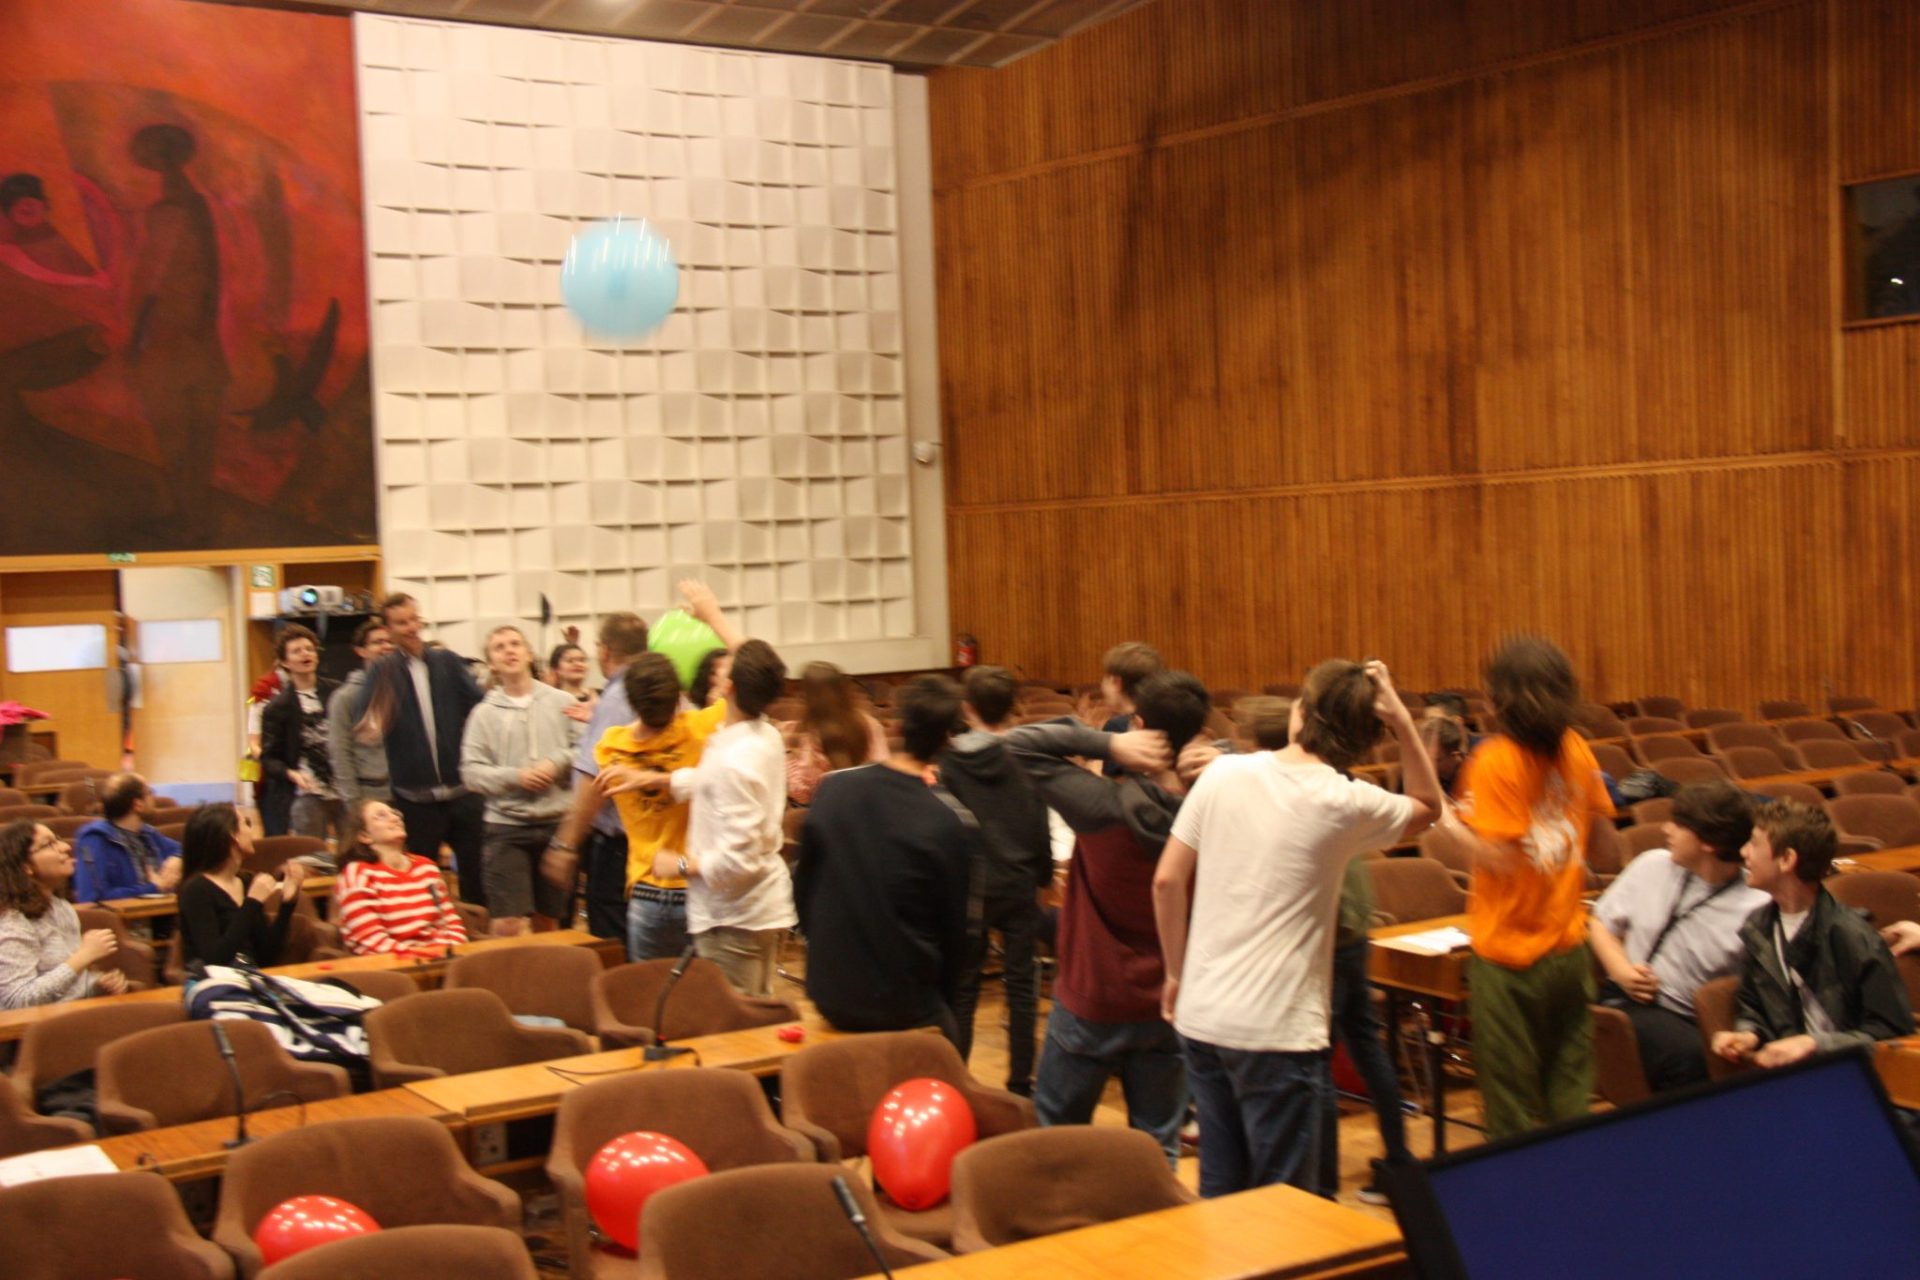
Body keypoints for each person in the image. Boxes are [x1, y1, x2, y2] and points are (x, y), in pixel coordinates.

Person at [1155, 661, 1439, 1198]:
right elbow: (1429, 807)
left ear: (1300, 712)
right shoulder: (1346, 801)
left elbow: (1167, 882)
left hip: (1202, 1013)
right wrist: (1402, 720)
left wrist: (1174, 973)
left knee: (1221, 1192)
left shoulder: (1223, 773)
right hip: (1277, 1028)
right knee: (1285, 1206)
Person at [1002, 671, 1194, 1164]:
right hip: (1171, 1001)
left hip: (1094, 997)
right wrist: (1226, 756)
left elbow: (1018, 745)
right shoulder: (1214, 802)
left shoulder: (1101, 805)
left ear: (1139, 726)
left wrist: (1108, 742)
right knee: (1158, 1150)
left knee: (1057, 1141)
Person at [1430, 636, 1615, 1138]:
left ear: (1502, 698)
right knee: (1569, 1097)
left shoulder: (1496, 759)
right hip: (1569, 950)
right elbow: (1604, 848)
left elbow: (1501, 860)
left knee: (1510, 1108)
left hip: (1510, 958)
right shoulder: (1577, 747)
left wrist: (1445, 818)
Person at [556, 583, 734, 960]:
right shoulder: (699, 729)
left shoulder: (611, 745)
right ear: (678, 696)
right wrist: (712, 615)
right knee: (698, 983)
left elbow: (591, 779)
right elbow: (751, 667)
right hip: (692, 880)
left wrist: (566, 845)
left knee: (641, 981)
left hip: (644, 885)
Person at [795, 675, 979, 1037]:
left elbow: (803, 888)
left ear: (897, 726)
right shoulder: (949, 821)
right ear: (949, 740)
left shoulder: (835, 788)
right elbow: (956, 936)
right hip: (904, 1002)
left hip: (829, 992)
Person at [635, 636, 791, 996]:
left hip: (735, 917)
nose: (718, 669)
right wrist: (655, 779)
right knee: (756, 1010)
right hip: (751, 909)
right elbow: (714, 782)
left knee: (738, 1020)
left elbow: (739, 859)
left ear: (730, 687)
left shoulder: (736, 760)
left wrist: (679, 865)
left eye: (726, 668)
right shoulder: (760, 733)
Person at [1590, 780, 1768, 1091]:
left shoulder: (1756, 904)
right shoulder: (1651, 865)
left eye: (1679, 824)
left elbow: (1759, 986)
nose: (1666, 829)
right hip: (1629, 1004)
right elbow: (1599, 923)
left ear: (1709, 842)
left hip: (1704, 1018)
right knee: (1692, 1058)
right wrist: (1621, 971)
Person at [1711, 799, 1914, 1068]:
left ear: (1787, 859)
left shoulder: (1852, 936)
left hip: (1856, 1073)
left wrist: (1816, 1044)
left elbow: (1893, 1034)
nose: (1744, 852)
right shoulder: (1758, 928)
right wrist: (1748, 1034)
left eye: (1754, 843)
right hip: (1792, 1074)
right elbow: (1752, 1006)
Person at [942, 665, 1053, 1096]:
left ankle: (959, 1080)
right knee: (1022, 984)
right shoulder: (1026, 758)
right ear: (1013, 708)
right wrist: (1043, 875)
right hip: (1020, 879)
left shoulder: (949, 761)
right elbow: (1039, 822)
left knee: (964, 987)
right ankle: (1021, 1080)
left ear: (967, 708)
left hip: (971, 886)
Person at [351, 594, 487, 906]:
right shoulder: (382, 671)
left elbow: (480, 709)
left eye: (414, 619)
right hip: (415, 800)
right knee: (421, 881)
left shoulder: (447, 661)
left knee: (477, 877)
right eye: (402, 623)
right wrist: (375, 720)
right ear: (388, 630)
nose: (411, 627)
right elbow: (365, 726)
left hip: (463, 794)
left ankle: (476, 932)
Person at [460, 625, 580, 935]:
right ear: (492, 663)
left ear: (529, 653)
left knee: (548, 920)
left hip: (555, 823)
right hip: (506, 827)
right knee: (507, 922)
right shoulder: (483, 714)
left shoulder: (562, 701)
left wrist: (555, 764)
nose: (509, 650)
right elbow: (471, 773)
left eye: (515, 643)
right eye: (499, 647)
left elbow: (586, 747)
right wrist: (516, 777)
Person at [545, 611, 649, 941]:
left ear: (604, 651)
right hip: (652, 838)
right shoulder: (656, 689)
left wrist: (565, 844)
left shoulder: (618, 697)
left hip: (620, 845)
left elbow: (595, 778)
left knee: (614, 943)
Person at [0, 820, 125, 1007]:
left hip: (72, 1015)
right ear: (26, 866)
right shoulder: (12, 922)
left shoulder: (61, 907)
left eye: (58, 840)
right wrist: (83, 956)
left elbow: (68, 990)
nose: (66, 847)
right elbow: (15, 1001)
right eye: (49, 844)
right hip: (34, 1024)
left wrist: (96, 985)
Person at [176, 804, 306, 969]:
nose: (251, 831)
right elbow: (214, 960)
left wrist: (287, 904)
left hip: (250, 975)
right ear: (233, 836)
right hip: (215, 981)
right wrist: (252, 903)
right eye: (246, 823)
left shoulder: (246, 881)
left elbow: (267, 955)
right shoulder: (196, 890)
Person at [334, 799, 468, 956]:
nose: (395, 818)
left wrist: (452, 950)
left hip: (441, 957)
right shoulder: (357, 873)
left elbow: (450, 921)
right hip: (391, 964)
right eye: (381, 816)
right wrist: (425, 956)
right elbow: (371, 940)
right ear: (364, 836)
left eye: (394, 813)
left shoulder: (426, 867)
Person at [260, 624, 343, 845]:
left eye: (309, 649)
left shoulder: (337, 692)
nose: (305, 654)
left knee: (355, 847)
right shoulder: (278, 707)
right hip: (308, 790)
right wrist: (292, 774)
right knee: (313, 851)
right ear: (285, 662)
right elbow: (269, 758)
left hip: (344, 785)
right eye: (297, 651)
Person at [784, 661, 889, 805]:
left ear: (807, 696)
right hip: (867, 804)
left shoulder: (805, 732)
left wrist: (789, 755)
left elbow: (801, 794)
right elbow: (883, 774)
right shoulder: (869, 724)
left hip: (827, 809)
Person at [69, 772, 181, 902]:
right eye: (150, 792)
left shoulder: (148, 833)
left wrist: (177, 859)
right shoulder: (94, 839)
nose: (154, 797)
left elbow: (186, 848)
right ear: (138, 805)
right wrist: (153, 888)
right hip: (126, 914)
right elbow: (92, 897)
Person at [328, 619, 394, 809]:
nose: (386, 647)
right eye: (378, 642)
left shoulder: (404, 689)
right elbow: (340, 751)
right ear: (361, 650)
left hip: (407, 792)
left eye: (390, 641)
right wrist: (353, 801)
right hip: (370, 794)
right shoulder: (345, 697)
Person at [1099, 641, 1165, 775]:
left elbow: (1113, 783)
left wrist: (1091, 763)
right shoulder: (1166, 718)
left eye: (1105, 678)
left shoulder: (1117, 726)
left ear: (1117, 683)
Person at [548, 642, 597, 710]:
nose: (578, 664)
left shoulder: (600, 695)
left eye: (582, 660)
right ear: (557, 669)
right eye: (570, 661)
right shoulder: (551, 700)